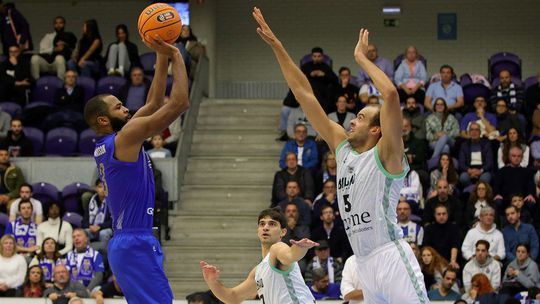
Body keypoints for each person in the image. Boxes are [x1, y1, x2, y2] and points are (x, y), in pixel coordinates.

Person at [253, 8, 429, 302]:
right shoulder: (343, 148)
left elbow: (392, 96)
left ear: (377, 130)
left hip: (390, 256)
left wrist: (362, 59)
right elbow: (303, 93)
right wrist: (278, 47)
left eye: (360, 117)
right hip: (363, 262)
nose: (352, 121)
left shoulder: (388, 154)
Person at [85, 34, 189, 304]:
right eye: (119, 107)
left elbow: (153, 104)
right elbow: (179, 104)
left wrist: (161, 53)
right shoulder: (125, 137)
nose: (126, 108)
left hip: (129, 240)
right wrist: (177, 55)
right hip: (134, 241)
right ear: (103, 119)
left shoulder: (111, 141)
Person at [200, 208, 317, 303]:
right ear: (258, 230)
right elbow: (233, 297)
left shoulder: (278, 248)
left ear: (283, 232)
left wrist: (301, 248)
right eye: (262, 224)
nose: (265, 227)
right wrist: (212, 282)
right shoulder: (258, 271)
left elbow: (291, 255)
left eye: (272, 224)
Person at [30, 16, 77, 81]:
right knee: (34, 58)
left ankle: (60, 84)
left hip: (58, 63)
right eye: (56, 23)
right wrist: (54, 49)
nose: (58, 25)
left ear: (64, 24)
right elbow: (41, 51)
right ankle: (37, 83)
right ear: (54, 25)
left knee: (59, 58)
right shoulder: (48, 36)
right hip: (46, 63)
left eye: (60, 23)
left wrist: (65, 45)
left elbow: (73, 50)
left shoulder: (68, 36)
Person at [423, 204, 461, 269]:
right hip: (433, 262)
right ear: (435, 215)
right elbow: (427, 247)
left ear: (447, 215)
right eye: (439, 214)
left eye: (444, 214)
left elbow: (455, 245)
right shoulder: (429, 228)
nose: (441, 216)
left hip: (449, 260)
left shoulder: (454, 228)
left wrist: (452, 262)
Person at [458, 122, 494, 187]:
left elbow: (489, 163)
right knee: (463, 177)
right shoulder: (464, 145)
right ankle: (472, 191)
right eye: (472, 130)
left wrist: (480, 171)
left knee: (485, 179)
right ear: (469, 132)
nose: (474, 132)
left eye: (476, 130)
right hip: (469, 169)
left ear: (480, 132)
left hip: (483, 169)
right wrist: (469, 171)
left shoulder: (486, 144)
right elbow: (461, 163)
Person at [81, 179, 112, 246]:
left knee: (103, 233)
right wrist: (90, 226)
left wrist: (99, 226)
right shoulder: (91, 202)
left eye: (105, 187)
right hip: (92, 228)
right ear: (96, 188)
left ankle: (104, 255)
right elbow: (84, 221)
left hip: (105, 229)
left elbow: (113, 222)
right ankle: (86, 254)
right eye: (100, 187)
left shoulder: (112, 202)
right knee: (82, 232)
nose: (103, 189)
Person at [0, 146, 25, 213]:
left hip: (12, 197)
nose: (4, 157)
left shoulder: (16, 170)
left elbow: (20, 187)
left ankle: (11, 223)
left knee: (12, 206)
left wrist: (8, 196)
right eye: (1, 155)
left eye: (6, 155)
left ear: (9, 157)